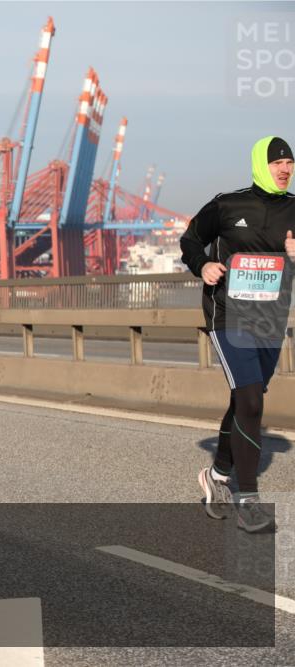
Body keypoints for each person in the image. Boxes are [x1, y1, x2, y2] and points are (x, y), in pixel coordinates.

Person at [181, 136, 295, 534]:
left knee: (245, 399)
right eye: (277, 162)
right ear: (261, 164)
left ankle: (218, 474)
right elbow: (190, 239)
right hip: (228, 315)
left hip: (270, 318)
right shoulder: (228, 205)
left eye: (290, 163)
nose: (284, 169)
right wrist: (204, 266)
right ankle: (248, 499)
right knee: (249, 398)